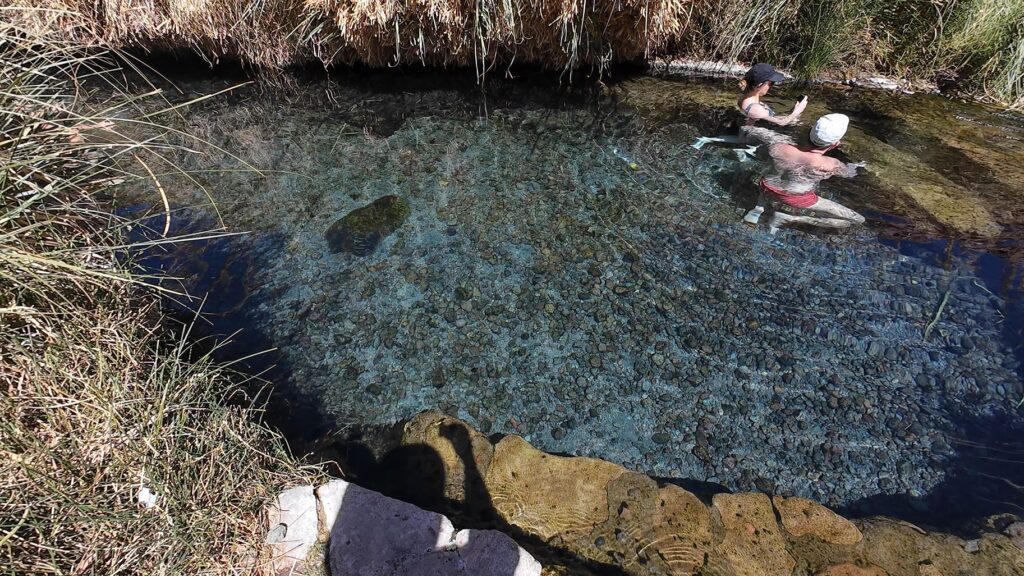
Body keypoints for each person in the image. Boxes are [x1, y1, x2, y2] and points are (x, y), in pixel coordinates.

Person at [741, 113, 866, 232]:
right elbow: (849, 174)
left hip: (766, 186)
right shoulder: (831, 164)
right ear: (835, 144)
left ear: (809, 131)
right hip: (796, 198)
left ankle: (759, 207)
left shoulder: (779, 147)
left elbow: (754, 131)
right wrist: (855, 165)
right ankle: (788, 218)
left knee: (771, 181)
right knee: (856, 219)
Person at [738, 63, 807, 126]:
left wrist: (792, 115)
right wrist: (797, 111)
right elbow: (782, 123)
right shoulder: (756, 108)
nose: (772, 86)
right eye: (771, 83)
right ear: (760, 85)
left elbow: (769, 119)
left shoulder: (745, 98)